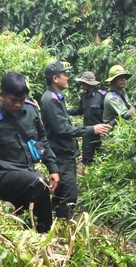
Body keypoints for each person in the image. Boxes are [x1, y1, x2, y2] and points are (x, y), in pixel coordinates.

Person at [0, 72, 60, 234]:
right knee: (39, 181)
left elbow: (42, 141)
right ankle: (44, 232)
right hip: (1, 177)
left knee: (38, 185)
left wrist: (53, 167)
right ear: (1, 95)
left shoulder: (31, 111)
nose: (18, 105)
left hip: (26, 174)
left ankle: (37, 233)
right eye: (13, 100)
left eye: (22, 100)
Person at [41, 61, 111, 218]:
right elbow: (63, 129)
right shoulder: (50, 99)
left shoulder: (57, 97)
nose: (67, 77)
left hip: (65, 152)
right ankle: (63, 224)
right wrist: (92, 129)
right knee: (69, 195)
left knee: (60, 192)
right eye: (64, 74)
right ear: (55, 78)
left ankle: (54, 220)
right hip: (61, 154)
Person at [68, 71, 107, 166]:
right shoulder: (84, 97)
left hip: (101, 133)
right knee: (86, 158)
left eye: (83, 83)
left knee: (102, 158)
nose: (81, 85)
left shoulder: (102, 96)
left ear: (89, 84)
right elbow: (80, 110)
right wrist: (66, 111)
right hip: (88, 133)